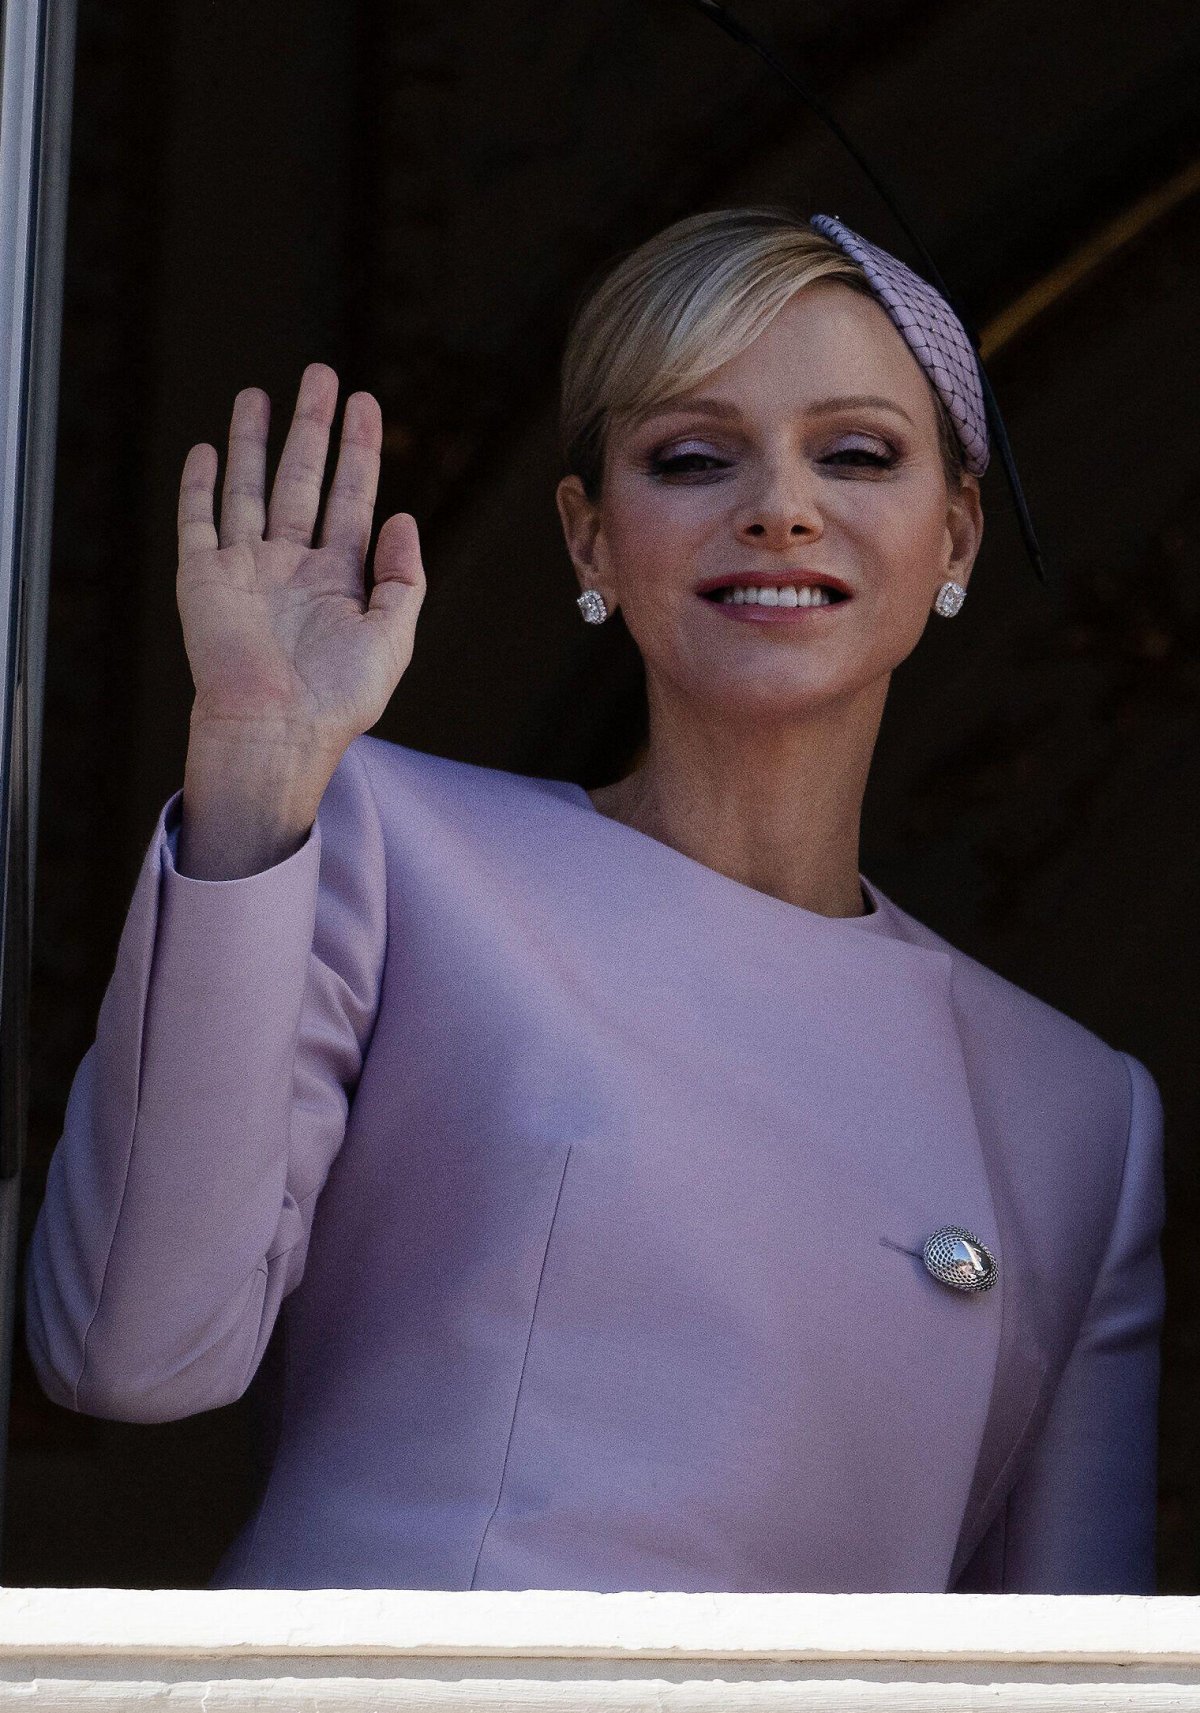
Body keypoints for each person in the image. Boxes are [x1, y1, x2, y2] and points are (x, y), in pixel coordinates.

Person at [23, 207, 1165, 1594]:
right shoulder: (399, 850)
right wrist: (257, 768)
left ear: (957, 535)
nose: (780, 507)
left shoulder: (1080, 1114)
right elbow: (131, 1350)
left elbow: (1074, 1669)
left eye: (856, 453)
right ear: (589, 540)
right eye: (690, 458)